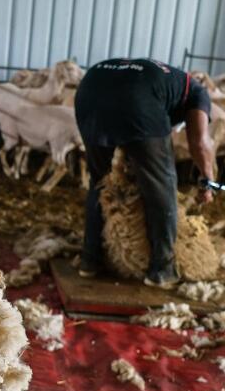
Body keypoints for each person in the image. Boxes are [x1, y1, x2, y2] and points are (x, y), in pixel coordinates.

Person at [74, 58, 214, 289]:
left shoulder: (167, 80)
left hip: (90, 91)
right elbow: (200, 142)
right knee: (162, 184)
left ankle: (90, 260)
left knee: (99, 180)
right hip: (136, 100)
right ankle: (162, 269)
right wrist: (207, 180)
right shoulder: (199, 93)